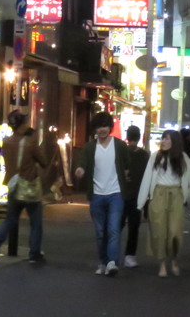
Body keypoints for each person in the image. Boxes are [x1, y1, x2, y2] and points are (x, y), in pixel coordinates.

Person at [136, 129, 190, 277]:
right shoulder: (155, 156)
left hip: (176, 196)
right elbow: (146, 179)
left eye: (167, 139)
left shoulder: (183, 158)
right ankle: (162, 264)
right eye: (163, 138)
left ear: (175, 142)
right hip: (158, 196)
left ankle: (174, 259)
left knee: (175, 232)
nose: (164, 141)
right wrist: (141, 203)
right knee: (159, 232)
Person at [75, 111, 130, 276]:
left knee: (113, 229)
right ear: (95, 129)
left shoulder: (119, 145)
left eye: (105, 126)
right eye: (99, 127)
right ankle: (103, 261)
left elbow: (127, 165)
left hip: (116, 194)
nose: (102, 130)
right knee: (100, 232)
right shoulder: (90, 147)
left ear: (110, 127)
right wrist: (80, 170)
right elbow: (82, 163)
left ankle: (112, 262)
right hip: (97, 195)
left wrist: (127, 178)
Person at [0, 113, 47, 263]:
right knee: (36, 222)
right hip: (28, 185)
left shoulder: (6, 142)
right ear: (22, 124)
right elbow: (44, 161)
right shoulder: (30, 142)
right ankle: (34, 253)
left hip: (13, 184)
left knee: (11, 219)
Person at [120, 125, 149, 268]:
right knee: (133, 227)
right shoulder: (145, 155)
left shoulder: (121, 152)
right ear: (139, 137)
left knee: (116, 226)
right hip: (138, 196)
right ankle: (130, 256)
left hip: (121, 195)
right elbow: (147, 178)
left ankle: (111, 253)